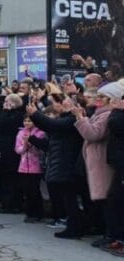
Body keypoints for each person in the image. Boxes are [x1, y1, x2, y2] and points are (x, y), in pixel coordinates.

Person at [27, 95, 85, 238]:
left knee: (71, 197)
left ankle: (75, 227)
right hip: (61, 160)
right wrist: (34, 116)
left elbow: (54, 125)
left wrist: (35, 114)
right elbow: (49, 126)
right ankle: (74, 226)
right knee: (67, 196)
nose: (64, 103)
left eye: (68, 102)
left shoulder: (73, 120)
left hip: (68, 161)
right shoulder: (64, 118)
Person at [74, 81, 120, 244]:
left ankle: (110, 234)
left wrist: (80, 119)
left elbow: (93, 134)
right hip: (96, 159)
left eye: (102, 97)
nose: (98, 99)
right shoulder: (100, 112)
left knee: (106, 198)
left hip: (102, 161)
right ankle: (107, 232)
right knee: (103, 199)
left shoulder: (107, 115)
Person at [0, 94, 26, 214]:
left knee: (12, 178)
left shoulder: (18, 115)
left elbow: (4, 125)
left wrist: (5, 111)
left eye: (7, 102)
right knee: (5, 177)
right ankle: (7, 202)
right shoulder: (8, 113)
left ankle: (14, 204)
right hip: (4, 147)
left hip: (12, 148)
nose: (5, 104)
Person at [14, 113, 46, 222]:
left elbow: (40, 150)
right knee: (26, 191)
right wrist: (25, 145)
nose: (27, 123)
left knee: (34, 191)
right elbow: (18, 149)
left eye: (30, 121)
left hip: (35, 165)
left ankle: (38, 213)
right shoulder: (20, 133)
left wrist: (31, 143)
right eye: (25, 121)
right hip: (23, 165)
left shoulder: (40, 133)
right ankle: (29, 212)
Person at [105, 83, 124, 255]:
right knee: (115, 199)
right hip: (119, 162)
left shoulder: (119, 115)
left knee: (118, 199)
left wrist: (117, 110)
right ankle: (118, 237)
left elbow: (116, 125)